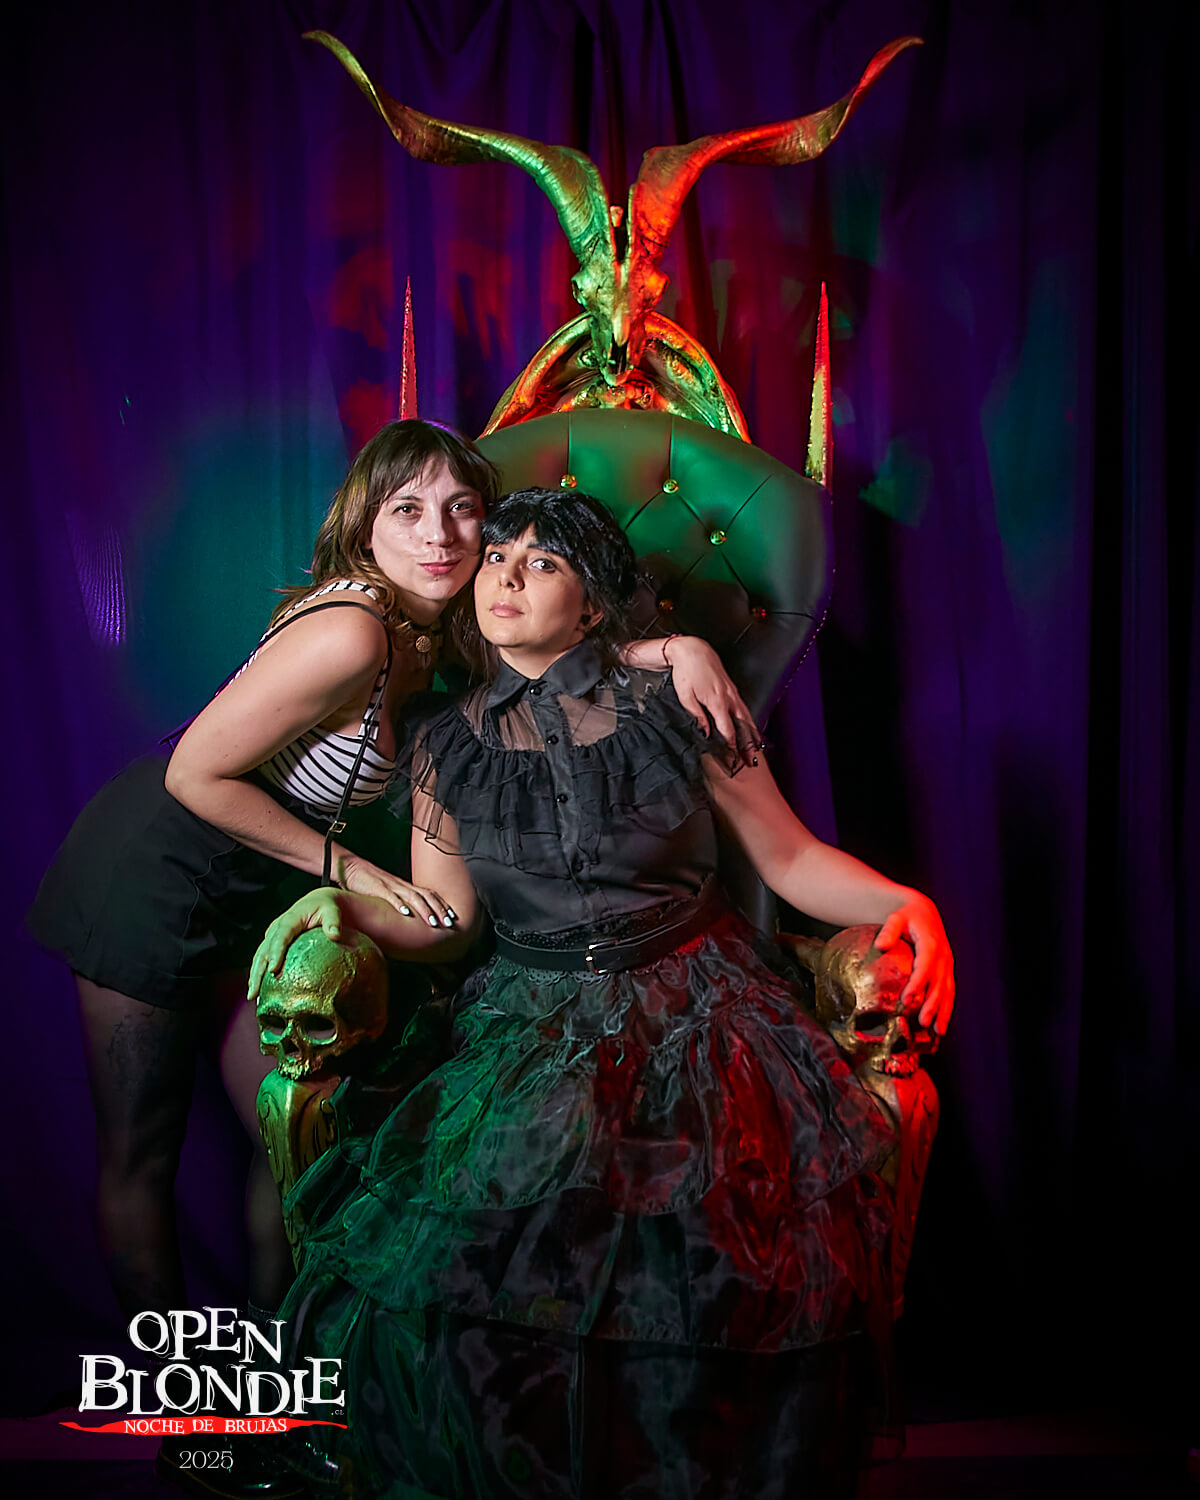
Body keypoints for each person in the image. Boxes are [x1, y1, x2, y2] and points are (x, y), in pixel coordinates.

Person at [249, 485, 955, 1499]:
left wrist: (908, 902)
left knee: (708, 1269)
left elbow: (790, 858)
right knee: (477, 1272)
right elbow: (448, 923)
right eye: (497, 557)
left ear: (590, 606)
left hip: (698, 1009)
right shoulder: (446, 742)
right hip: (528, 1019)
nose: (505, 576)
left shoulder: (678, 705)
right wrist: (344, 908)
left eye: (542, 562)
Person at [28, 425, 752, 1339]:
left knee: (298, 1133)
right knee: (142, 1150)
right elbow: (192, 776)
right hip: (158, 871)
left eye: (462, 509)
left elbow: (565, 651)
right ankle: (172, 1392)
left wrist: (679, 650)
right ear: (364, 526)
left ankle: (275, 1365)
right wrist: (356, 872)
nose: (438, 534)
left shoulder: (442, 626)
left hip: (267, 885)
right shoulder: (352, 631)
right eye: (407, 510)